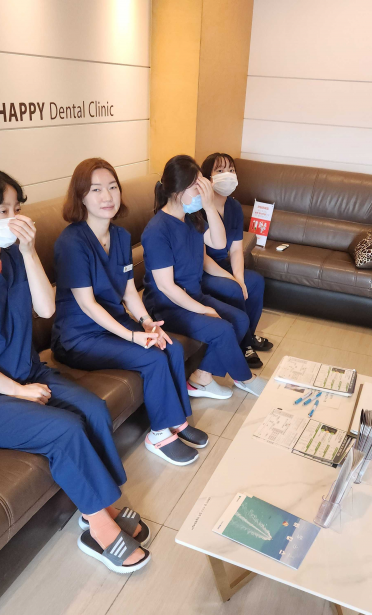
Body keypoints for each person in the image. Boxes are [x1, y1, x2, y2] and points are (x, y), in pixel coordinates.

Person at [0, 164, 150, 574]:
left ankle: (100, 504)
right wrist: (17, 391)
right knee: (65, 429)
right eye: (1, 211)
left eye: (16, 209)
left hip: (28, 372)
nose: (13, 219)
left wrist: (28, 252)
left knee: (93, 409)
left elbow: (46, 309)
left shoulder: (15, 256)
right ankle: (99, 528)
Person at [51, 158, 209, 466]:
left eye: (112, 187)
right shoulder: (71, 242)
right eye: (96, 190)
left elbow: (127, 291)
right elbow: (87, 304)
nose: (107, 196)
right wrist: (133, 336)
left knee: (170, 346)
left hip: (115, 323)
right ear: (81, 196)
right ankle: (158, 435)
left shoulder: (121, 236)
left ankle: (177, 421)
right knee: (152, 358)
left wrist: (147, 323)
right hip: (79, 336)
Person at [140, 155, 267, 400]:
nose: (202, 193)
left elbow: (219, 242)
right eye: (197, 187)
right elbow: (166, 287)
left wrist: (209, 207)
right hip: (167, 307)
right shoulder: (157, 230)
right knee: (222, 328)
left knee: (240, 319)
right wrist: (204, 310)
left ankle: (201, 378)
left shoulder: (191, 218)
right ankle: (245, 378)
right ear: (177, 191)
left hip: (193, 295)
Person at [200, 152, 272, 368]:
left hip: (224, 266)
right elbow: (202, 258)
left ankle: (247, 334)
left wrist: (239, 277)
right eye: (220, 170)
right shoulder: (199, 210)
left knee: (255, 281)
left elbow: (236, 250)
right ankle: (245, 344)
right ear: (207, 178)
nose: (228, 175)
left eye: (231, 170)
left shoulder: (234, 206)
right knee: (233, 288)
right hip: (204, 271)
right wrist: (232, 279)